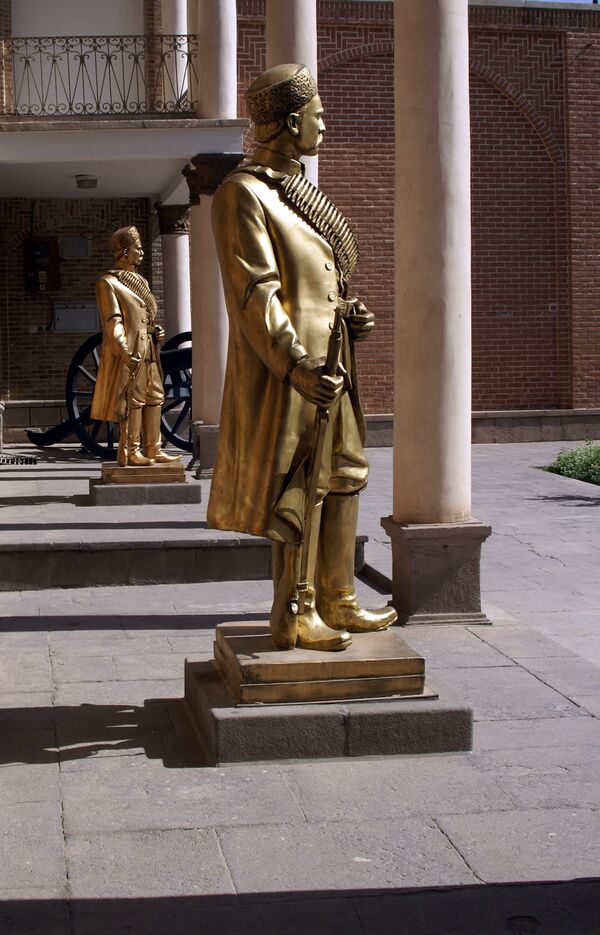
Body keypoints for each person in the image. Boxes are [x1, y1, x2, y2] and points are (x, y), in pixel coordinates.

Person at [208, 64, 396, 651]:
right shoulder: (244, 193)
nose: (324, 124)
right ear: (292, 122)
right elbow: (253, 292)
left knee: (345, 474)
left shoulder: (298, 194)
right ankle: (294, 610)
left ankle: (338, 599)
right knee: (300, 485)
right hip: (290, 372)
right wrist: (294, 363)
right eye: (318, 114)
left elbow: (317, 282)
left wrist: (349, 312)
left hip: (332, 363)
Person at [91, 226, 179, 466]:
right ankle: (131, 451)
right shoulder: (108, 283)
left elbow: (145, 318)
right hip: (131, 351)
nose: (141, 252)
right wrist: (123, 350)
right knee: (134, 400)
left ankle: (153, 449)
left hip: (149, 349)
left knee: (156, 396)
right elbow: (113, 321)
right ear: (124, 252)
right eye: (137, 249)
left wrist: (156, 331)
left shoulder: (141, 281)